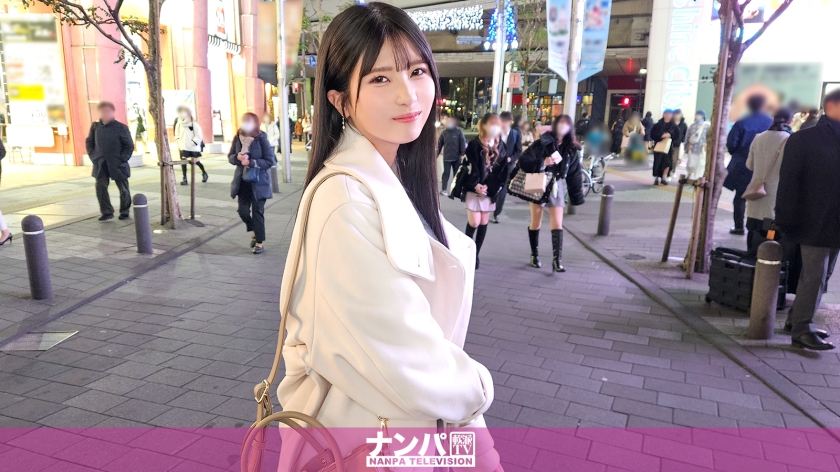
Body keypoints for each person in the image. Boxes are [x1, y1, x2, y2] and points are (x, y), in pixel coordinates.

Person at [273, 4, 501, 472]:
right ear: (340, 101)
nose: (407, 94)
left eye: (417, 71)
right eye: (379, 78)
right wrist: (480, 393)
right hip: (369, 445)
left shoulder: (395, 178)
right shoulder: (345, 201)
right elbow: (407, 362)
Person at [775, 90, 840, 351]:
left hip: (835, 220)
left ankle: (797, 320)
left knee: (824, 275)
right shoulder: (805, 139)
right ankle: (802, 329)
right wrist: (784, 219)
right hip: (812, 219)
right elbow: (788, 182)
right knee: (814, 275)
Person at [518, 115, 585, 272]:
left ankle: (557, 261)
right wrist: (543, 162)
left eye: (566, 124)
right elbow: (524, 161)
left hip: (556, 185)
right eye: (560, 124)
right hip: (538, 182)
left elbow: (575, 174)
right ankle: (534, 255)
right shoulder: (542, 142)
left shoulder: (571, 148)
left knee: (557, 223)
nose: (562, 127)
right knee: (536, 222)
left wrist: (576, 196)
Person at [452, 113, 509, 268]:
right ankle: (467, 252)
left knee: (484, 222)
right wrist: (475, 184)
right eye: (491, 124)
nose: (495, 127)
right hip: (473, 189)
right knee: (474, 222)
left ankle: (475, 254)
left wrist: (490, 187)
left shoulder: (501, 146)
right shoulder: (474, 145)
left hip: (489, 191)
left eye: (497, 124)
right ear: (484, 125)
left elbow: (502, 171)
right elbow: (468, 168)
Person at [744, 108, 791, 254]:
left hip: (756, 193)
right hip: (775, 197)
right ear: (790, 121)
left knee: (753, 234)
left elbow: (749, 165)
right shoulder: (789, 140)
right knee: (770, 238)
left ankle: (749, 262)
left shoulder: (758, 137)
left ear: (773, 119)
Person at [724, 94, 772, 235]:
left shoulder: (742, 122)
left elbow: (731, 143)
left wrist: (738, 153)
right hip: (764, 165)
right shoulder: (770, 123)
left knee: (740, 196)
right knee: (763, 197)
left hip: (742, 164)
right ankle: (760, 229)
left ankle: (739, 227)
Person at [228, 112, 275, 254]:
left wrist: (252, 162)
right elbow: (230, 157)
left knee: (257, 212)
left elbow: (270, 161)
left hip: (259, 182)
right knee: (242, 211)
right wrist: (237, 157)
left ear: (255, 123)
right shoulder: (237, 138)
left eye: (249, 121)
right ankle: (254, 229)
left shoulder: (261, 139)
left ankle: (259, 243)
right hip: (242, 182)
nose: (246, 124)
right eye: (244, 121)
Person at [86, 102, 134, 221]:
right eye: (102, 111)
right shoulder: (95, 127)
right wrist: (94, 156)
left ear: (113, 112)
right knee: (100, 188)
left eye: (108, 111)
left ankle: (124, 211)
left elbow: (129, 145)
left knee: (123, 189)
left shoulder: (121, 127)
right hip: (100, 163)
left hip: (118, 163)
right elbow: (89, 142)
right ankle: (106, 212)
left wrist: (122, 158)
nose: (105, 114)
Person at [492, 111, 522, 224]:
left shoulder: (515, 134)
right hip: (494, 166)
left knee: (503, 191)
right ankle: (488, 206)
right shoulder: (495, 132)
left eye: (506, 121)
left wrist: (511, 159)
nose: (504, 124)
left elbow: (518, 151)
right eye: (502, 121)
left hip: (507, 167)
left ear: (510, 122)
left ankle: (496, 213)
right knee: (492, 187)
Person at [174, 106, 208, 185]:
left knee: (196, 161)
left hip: (193, 147)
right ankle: (184, 178)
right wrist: (179, 141)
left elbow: (199, 135)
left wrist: (193, 142)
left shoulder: (193, 123)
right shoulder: (179, 123)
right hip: (183, 146)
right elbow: (176, 134)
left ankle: (204, 173)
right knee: (183, 162)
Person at [437, 115, 467, 195]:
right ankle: (444, 189)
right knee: (445, 174)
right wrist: (436, 154)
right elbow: (440, 144)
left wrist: (463, 154)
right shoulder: (444, 133)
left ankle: (456, 190)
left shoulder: (458, 132)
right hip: (447, 157)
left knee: (456, 175)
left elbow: (462, 143)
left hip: (457, 157)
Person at [650, 109, 680, 185]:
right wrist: (661, 136)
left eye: (669, 114)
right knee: (658, 162)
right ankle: (656, 178)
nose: (668, 115)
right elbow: (652, 134)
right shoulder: (658, 125)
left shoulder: (673, 126)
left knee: (667, 162)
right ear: (663, 114)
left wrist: (670, 135)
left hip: (668, 147)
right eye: (666, 114)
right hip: (658, 146)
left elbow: (678, 135)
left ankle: (664, 177)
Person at [684, 110, 710, 179]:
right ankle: (689, 174)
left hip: (702, 148)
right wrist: (686, 146)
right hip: (692, 148)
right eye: (697, 114)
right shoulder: (692, 126)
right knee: (691, 163)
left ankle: (697, 178)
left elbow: (709, 137)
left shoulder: (707, 126)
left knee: (700, 164)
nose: (698, 116)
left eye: (699, 115)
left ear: (703, 116)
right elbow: (687, 136)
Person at [666, 109, 688, 182]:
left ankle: (673, 171)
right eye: (676, 114)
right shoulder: (670, 123)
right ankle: (668, 173)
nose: (677, 116)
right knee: (668, 159)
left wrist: (682, 141)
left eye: (679, 114)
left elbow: (685, 134)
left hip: (677, 145)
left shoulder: (683, 125)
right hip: (668, 144)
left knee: (674, 159)